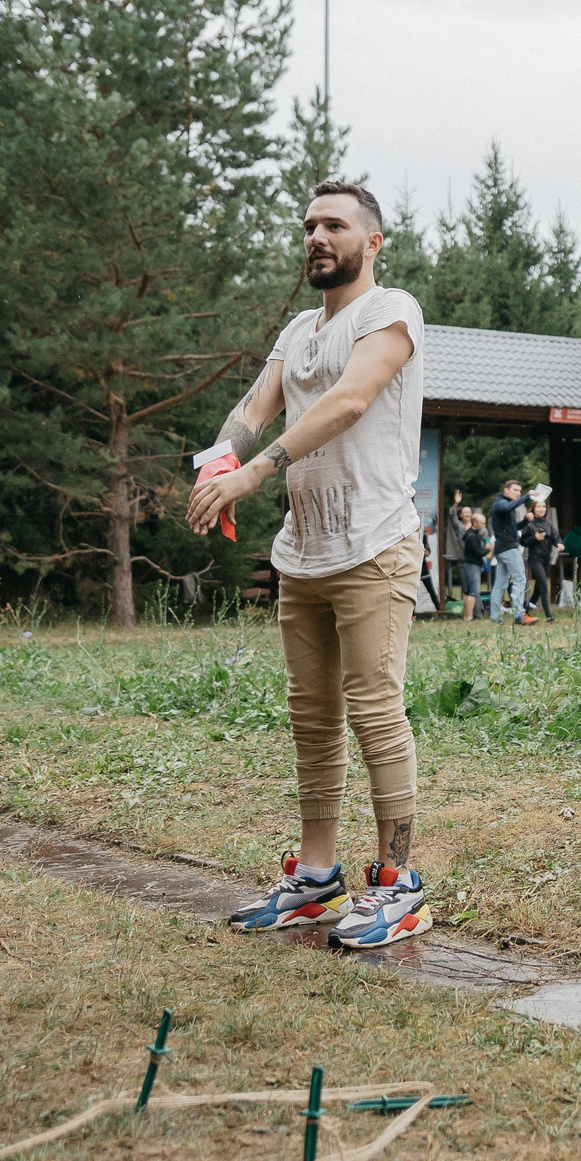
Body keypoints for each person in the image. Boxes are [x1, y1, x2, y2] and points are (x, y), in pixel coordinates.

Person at [188, 178, 432, 950]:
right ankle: (317, 878)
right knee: (312, 716)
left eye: (334, 225)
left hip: (375, 542)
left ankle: (399, 884)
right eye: (309, 227)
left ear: (373, 241)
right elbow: (257, 407)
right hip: (306, 551)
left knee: (373, 708)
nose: (317, 237)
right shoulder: (298, 329)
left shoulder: (390, 311)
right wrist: (217, 462)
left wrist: (253, 474)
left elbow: (350, 402)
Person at [488, 479, 530, 622]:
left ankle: (495, 617)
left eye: (520, 491)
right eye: (515, 490)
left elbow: (514, 528)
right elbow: (506, 508)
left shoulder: (504, 505)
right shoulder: (500, 503)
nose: (518, 493)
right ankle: (519, 615)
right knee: (520, 579)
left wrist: (525, 521)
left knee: (500, 584)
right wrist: (526, 497)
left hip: (502, 549)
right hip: (509, 548)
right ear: (506, 490)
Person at [519, 497, 561, 623]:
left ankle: (526, 612)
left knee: (538, 589)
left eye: (543, 506)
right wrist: (534, 538)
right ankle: (549, 616)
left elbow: (556, 538)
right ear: (533, 509)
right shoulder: (530, 525)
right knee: (543, 585)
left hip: (546, 559)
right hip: (535, 559)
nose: (541, 509)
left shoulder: (549, 524)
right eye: (538, 506)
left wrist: (559, 544)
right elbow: (522, 541)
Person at [455, 504, 490, 619]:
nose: (484, 526)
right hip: (473, 565)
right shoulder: (473, 536)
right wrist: (488, 549)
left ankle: (466, 616)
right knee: (473, 592)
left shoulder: (468, 533)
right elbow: (478, 552)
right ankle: (469, 616)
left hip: (467, 564)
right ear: (475, 523)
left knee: (466, 592)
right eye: (482, 523)